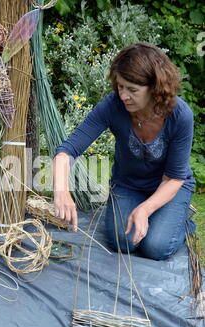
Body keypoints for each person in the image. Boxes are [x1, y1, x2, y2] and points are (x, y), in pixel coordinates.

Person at [52, 42, 196, 261]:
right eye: (120, 86)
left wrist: (146, 209)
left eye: (132, 90)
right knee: (123, 242)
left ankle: (180, 220)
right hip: (128, 185)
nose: (123, 96)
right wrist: (61, 190)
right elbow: (67, 151)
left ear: (154, 88)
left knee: (156, 247)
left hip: (170, 186)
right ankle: (155, 216)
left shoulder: (179, 116)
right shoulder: (112, 107)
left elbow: (174, 178)